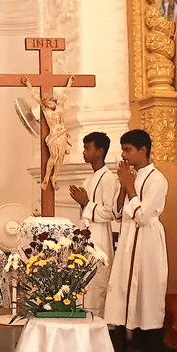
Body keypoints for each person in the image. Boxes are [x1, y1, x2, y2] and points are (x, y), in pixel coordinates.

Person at [103, 129, 169, 352]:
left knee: (148, 300)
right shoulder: (133, 176)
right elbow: (119, 213)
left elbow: (143, 215)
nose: (124, 154)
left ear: (143, 150)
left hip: (148, 245)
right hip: (130, 242)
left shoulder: (157, 180)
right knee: (131, 300)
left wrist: (130, 186)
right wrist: (124, 186)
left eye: (128, 149)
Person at [69, 132, 117, 318]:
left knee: (96, 282)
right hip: (86, 235)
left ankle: (97, 321)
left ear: (100, 151)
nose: (84, 152)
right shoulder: (89, 179)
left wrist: (86, 203)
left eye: (88, 148)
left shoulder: (109, 178)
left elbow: (110, 212)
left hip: (100, 238)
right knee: (83, 283)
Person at [22, 75, 74, 190]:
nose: (47, 106)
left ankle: (54, 178)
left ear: (52, 101)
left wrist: (70, 83)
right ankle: (46, 178)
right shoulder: (46, 110)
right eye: (45, 104)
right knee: (53, 156)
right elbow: (35, 96)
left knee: (61, 158)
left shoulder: (60, 106)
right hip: (54, 135)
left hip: (63, 134)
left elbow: (66, 94)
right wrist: (28, 84)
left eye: (48, 103)